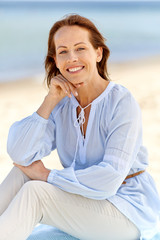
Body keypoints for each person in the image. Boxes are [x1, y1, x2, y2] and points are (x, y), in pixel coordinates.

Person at [0, 14, 159, 240]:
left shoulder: (121, 101)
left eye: (80, 48)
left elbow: (109, 178)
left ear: (98, 53)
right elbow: (20, 154)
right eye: (63, 51)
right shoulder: (61, 105)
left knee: (35, 192)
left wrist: (47, 176)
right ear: (55, 60)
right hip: (85, 203)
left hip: (127, 212)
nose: (72, 58)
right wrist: (50, 100)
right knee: (21, 174)